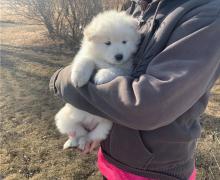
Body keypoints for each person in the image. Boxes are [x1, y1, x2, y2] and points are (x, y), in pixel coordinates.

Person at [49, 0, 220, 179]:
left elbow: (148, 105)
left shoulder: (207, 14)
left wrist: (61, 79)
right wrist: (94, 128)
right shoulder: (137, 7)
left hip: (153, 172)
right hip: (113, 160)